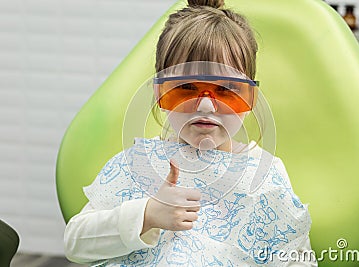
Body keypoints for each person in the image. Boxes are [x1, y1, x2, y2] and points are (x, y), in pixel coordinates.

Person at [64, 0, 317, 266]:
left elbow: (297, 260)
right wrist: (147, 215)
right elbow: (75, 243)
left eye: (227, 89)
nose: (206, 105)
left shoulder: (264, 173)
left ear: (250, 98)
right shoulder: (139, 163)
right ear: (159, 93)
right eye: (186, 86)